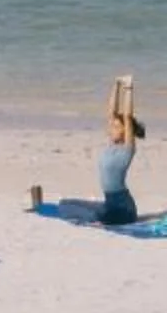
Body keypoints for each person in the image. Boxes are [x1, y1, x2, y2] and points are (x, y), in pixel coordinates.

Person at [53, 75, 145, 226]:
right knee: (65, 203)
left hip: (123, 209)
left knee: (84, 216)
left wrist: (128, 88)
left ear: (125, 131)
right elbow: (110, 112)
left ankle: (103, 217)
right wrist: (116, 84)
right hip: (110, 203)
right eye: (112, 126)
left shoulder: (127, 149)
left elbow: (127, 116)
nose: (111, 129)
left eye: (116, 127)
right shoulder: (112, 145)